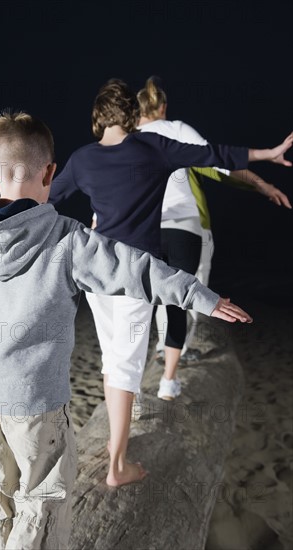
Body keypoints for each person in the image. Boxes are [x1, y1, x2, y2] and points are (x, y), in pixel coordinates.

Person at [0, 110, 256, 548]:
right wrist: (201, 296)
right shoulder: (66, 238)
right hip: (35, 402)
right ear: (50, 172)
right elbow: (136, 269)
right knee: (42, 500)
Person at [48, 78, 293, 487]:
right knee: (126, 367)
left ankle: (114, 444)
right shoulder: (152, 148)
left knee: (113, 361)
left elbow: (47, 200)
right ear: (130, 113)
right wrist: (268, 153)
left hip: (93, 276)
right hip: (135, 276)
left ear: (97, 118)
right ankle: (117, 466)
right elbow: (213, 154)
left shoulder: (82, 159)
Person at [137, 76, 292, 397]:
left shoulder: (130, 140)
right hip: (187, 226)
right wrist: (263, 184)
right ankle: (170, 365)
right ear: (163, 107)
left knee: (150, 294)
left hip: (145, 227)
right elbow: (220, 164)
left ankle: (152, 361)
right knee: (187, 291)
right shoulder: (178, 133)